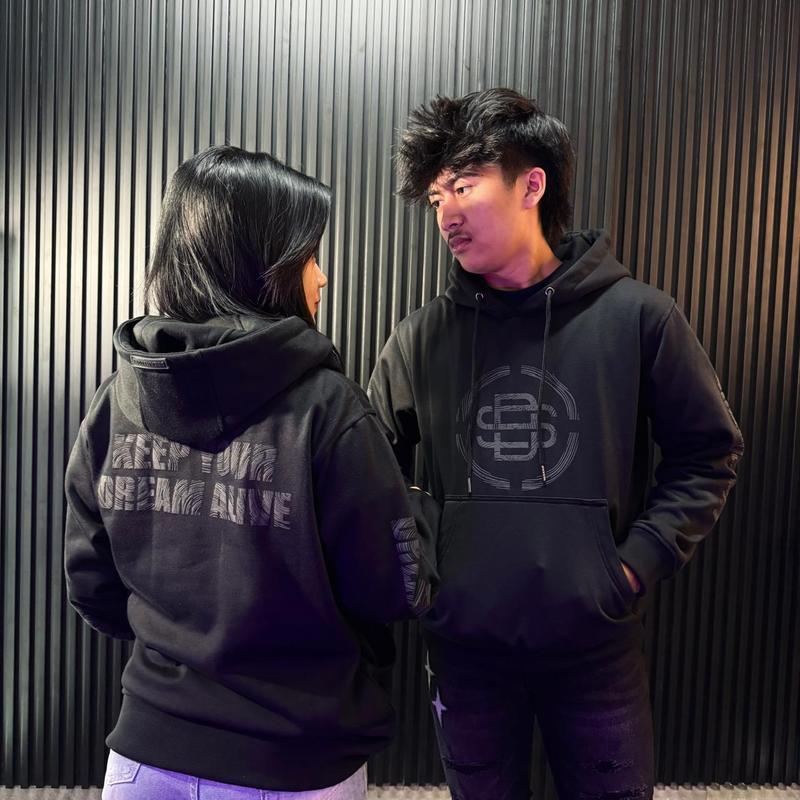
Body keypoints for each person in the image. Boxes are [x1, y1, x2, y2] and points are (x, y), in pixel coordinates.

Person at [368, 88, 744, 800]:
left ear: (531, 185)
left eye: (464, 185)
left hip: (595, 649)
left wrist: (629, 567)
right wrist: (430, 571)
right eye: (436, 195)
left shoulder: (639, 318)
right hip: (466, 653)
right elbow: (371, 469)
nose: (445, 212)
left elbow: (708, 453)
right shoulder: (420, 338)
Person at [64, 145, 433, 800]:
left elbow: (91, 584)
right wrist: (420, 514)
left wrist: (183, 640)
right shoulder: (328, 408)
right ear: (268, 266)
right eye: (310, 256)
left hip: (145, 758)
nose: (322, 277)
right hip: (294, 762)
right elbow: (392, 589)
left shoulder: (117, 399)